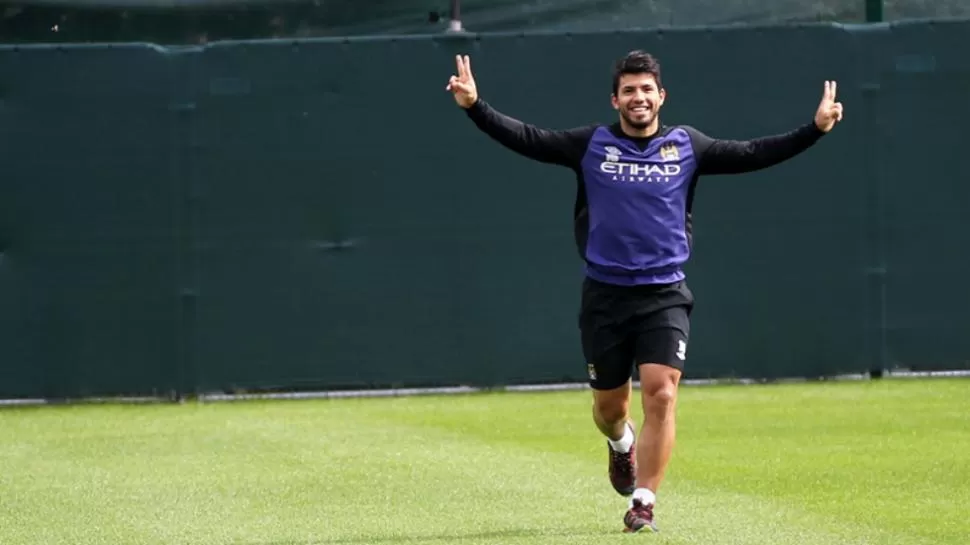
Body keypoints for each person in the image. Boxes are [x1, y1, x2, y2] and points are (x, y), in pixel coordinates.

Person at [445, 50, 843, 533]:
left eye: (646, 89)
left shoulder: (687, 146)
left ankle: (644, 502)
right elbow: (530, 139)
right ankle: (620, 445)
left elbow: (754, 153)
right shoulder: (591, 144)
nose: (639, 97)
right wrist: (475, 106)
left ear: (661, 96)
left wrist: (814, 129)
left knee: (662, 394)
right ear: (616, 99)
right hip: (605, 297)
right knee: (610, 411)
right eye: (629, 90)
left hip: (664, 295)